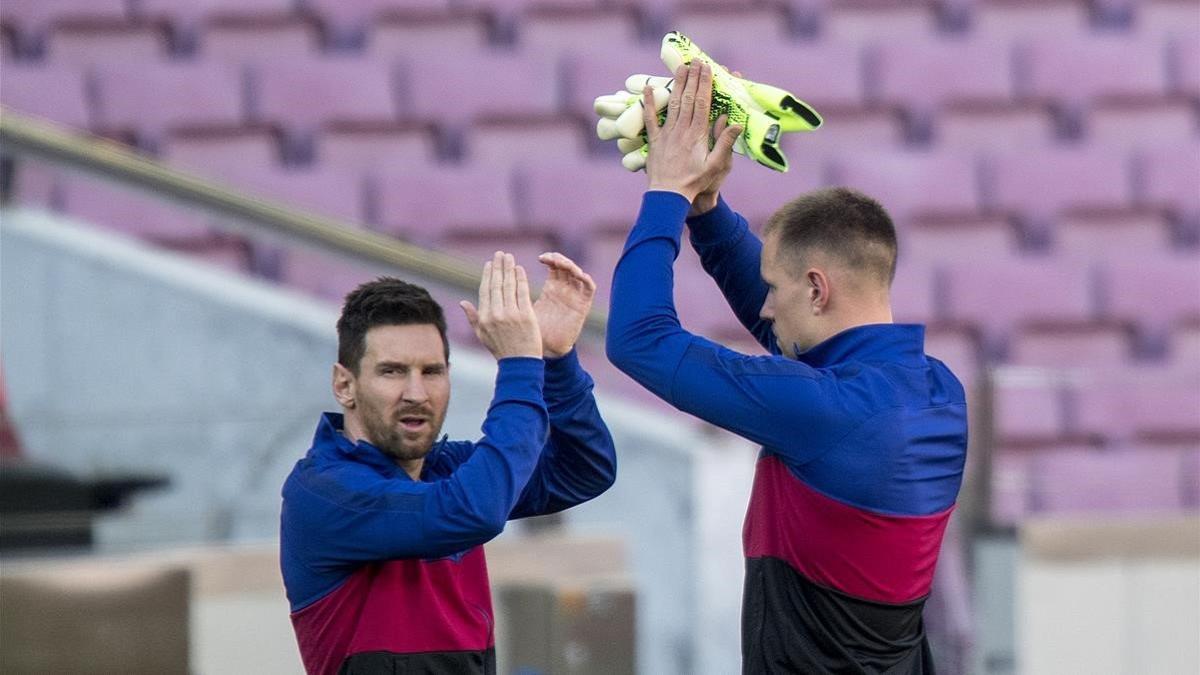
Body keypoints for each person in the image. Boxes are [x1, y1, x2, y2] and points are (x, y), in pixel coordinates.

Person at [606, 60, 968, 674]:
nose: (765, 306)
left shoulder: (823, 413)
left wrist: (665, 194)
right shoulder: (938, 392)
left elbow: (638, 339)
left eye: (776, 288)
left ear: (818, 290)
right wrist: (706, 207)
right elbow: (803, 344)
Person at [281, 251, 617, 675]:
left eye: (432, 371)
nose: (417, 393)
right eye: (392, 371)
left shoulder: (449, 472)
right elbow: (472, 512)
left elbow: (585, 469)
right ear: (344, 385)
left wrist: (554, 362)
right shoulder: (325, 491)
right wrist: (519, 365)